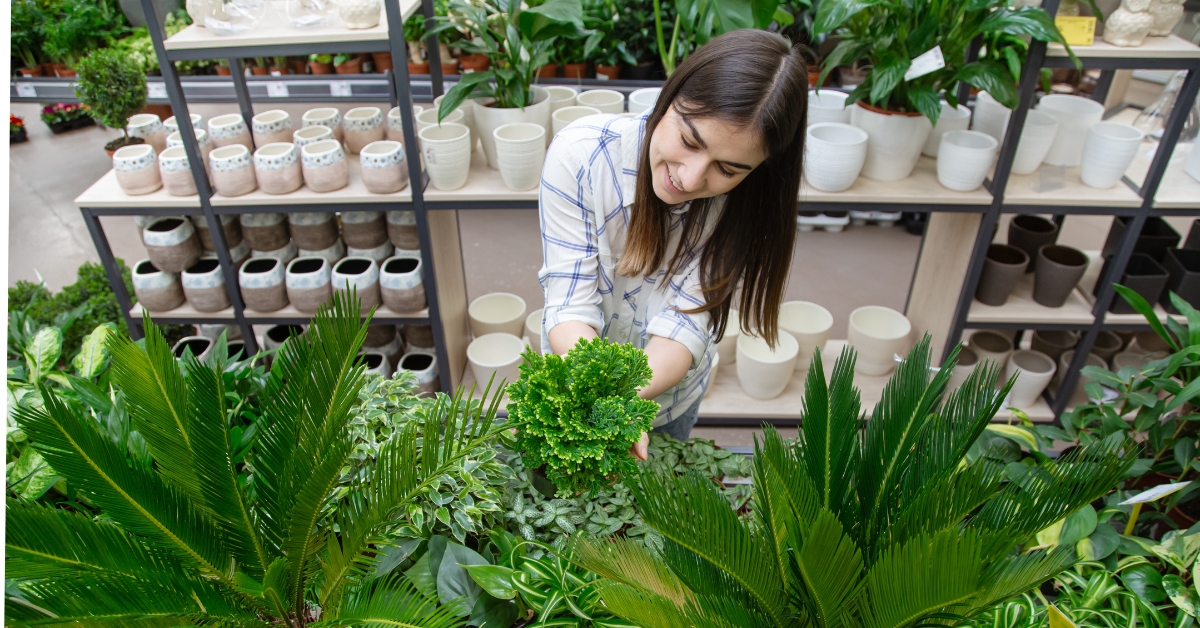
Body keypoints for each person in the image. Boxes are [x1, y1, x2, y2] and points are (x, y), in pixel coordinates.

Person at [537, 28, 809, 458]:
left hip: (668, 396)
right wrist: (607, 405)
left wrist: (625, 404)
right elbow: (569, 303)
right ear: (671, 94)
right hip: (573, 379)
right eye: (688, 141)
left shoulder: (742, 204)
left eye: (728, 168)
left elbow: (686, 323)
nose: (690, 177)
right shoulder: (581, 157)